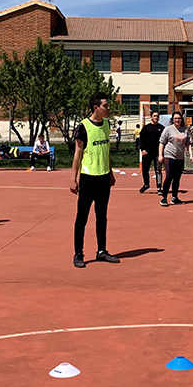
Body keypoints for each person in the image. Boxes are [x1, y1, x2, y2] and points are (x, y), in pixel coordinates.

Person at [71, 92, 119, 268]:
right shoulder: (83, 127)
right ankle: (78, 253)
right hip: (87, 178)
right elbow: (77, 154)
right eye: (105, 106)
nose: (108, 109)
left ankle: (101, 251)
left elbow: (106, 151)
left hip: (103, 177)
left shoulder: (106, 124)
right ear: (95, 107)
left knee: (102, 216)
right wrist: (73, 178)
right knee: (82, 218)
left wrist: (111, 172)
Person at [159, 111, 193, 206]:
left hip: (180, 157)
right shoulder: (168, 129)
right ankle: (164, 197)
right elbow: (161, 143)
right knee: (169, 176)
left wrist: (190, 154)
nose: (177, 120)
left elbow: (188, 144)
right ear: (172, 120)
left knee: (177, 178)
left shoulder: (185, 130)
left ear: (181, 119)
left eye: (179, 118)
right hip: (169, 155)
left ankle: (174, 197)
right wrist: (160, 155)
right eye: (175, 118)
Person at [138, 111, 165, 194]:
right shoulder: (146, 128)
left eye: (157, 116)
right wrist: (143, 149)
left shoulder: (162, 128)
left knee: (158, 170)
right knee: (145, 170)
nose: (156, 117)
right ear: (151, 117)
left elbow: (164, 141)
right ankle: (146, 184)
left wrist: (162, 153)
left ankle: (159, 187)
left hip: (157, 153)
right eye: (154, 116)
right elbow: (141, 140)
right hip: (147, 153)